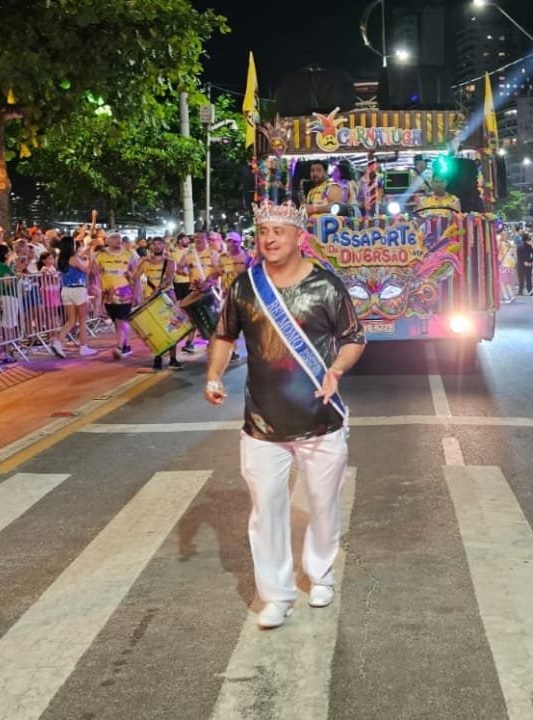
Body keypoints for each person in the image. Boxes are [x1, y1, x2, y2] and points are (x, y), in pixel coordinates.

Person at [204, 200, 366, 629]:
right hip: (262, 422)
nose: (269, 239)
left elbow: (354, 337)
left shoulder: (327, 286)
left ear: (299, 237)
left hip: (320, 419)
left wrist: (336, 370)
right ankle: (276, 595)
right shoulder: (245, 287)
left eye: (278, 231)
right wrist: (214, 374)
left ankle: (321, 573)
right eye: (263, 232)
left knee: (324, 506)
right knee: (266, 511)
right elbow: (224, 335)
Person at [134, 236, 182, 371]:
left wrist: (158, 290)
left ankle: (173, 358)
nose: (157, 246)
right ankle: (158, 357)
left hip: (166, 297)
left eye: (159, 244)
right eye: (154, 244)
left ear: (163, 246)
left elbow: (169, 279)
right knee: (154, 330)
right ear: (151, 247)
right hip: (150, 298)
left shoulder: (170, 262)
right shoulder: (145, 262)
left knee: (171, 328)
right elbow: (134, 277)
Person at [96, 231, 140, 358]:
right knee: (117, 321)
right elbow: (92, 271)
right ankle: (126, 346)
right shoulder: (100, 255)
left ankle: (119, 347)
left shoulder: (129, 255)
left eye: (119, 237)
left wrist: (137, 294)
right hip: (108, 295)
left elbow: (136, 276)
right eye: (114, 237)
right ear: (107, 240)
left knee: (121, 320)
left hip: (125, 293)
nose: (118, 240)